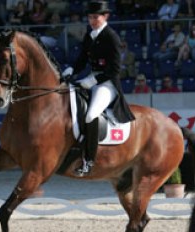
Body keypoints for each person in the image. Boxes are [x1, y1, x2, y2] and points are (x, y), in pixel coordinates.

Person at [62, 1, 135, 176]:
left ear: (105, 16)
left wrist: (93, 80)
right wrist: (73, 69)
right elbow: (82, 59)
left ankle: (89, 160)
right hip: (91, 79)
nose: (92, 20)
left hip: (107, 83)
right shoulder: (90, 35)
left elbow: (115, 70)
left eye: (96, 17)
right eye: (90, 17)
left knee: (91, 114)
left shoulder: (112, 37)